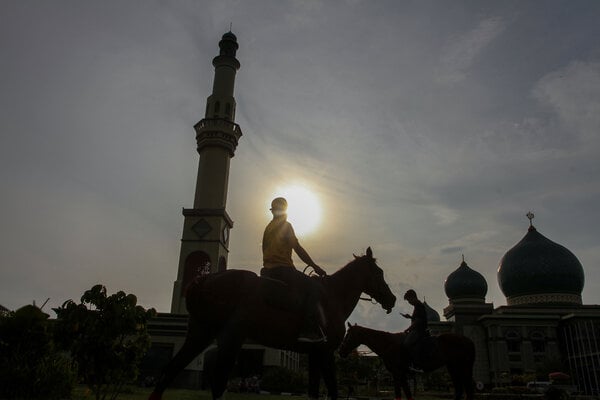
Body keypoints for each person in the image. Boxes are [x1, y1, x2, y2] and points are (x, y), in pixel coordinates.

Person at [261, 197, 327, 343]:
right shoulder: (286, 226)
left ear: (273, 211)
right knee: (315, 288)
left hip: (267, 270)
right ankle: (307, 329)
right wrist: (315, 267)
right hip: (283, 270)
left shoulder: (268, 228)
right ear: (284, 211)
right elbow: (297, 249)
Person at [401, 289, 427, 372]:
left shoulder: (418, 306)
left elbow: (418, 321)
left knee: (406, 344)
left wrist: (408, 329)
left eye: (409, 300)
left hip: (418, 331)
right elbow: (418, 318)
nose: (409, 302)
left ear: (412, 297)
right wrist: (410, 317)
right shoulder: (417, 306)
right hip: (418, 329)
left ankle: (415, 364)